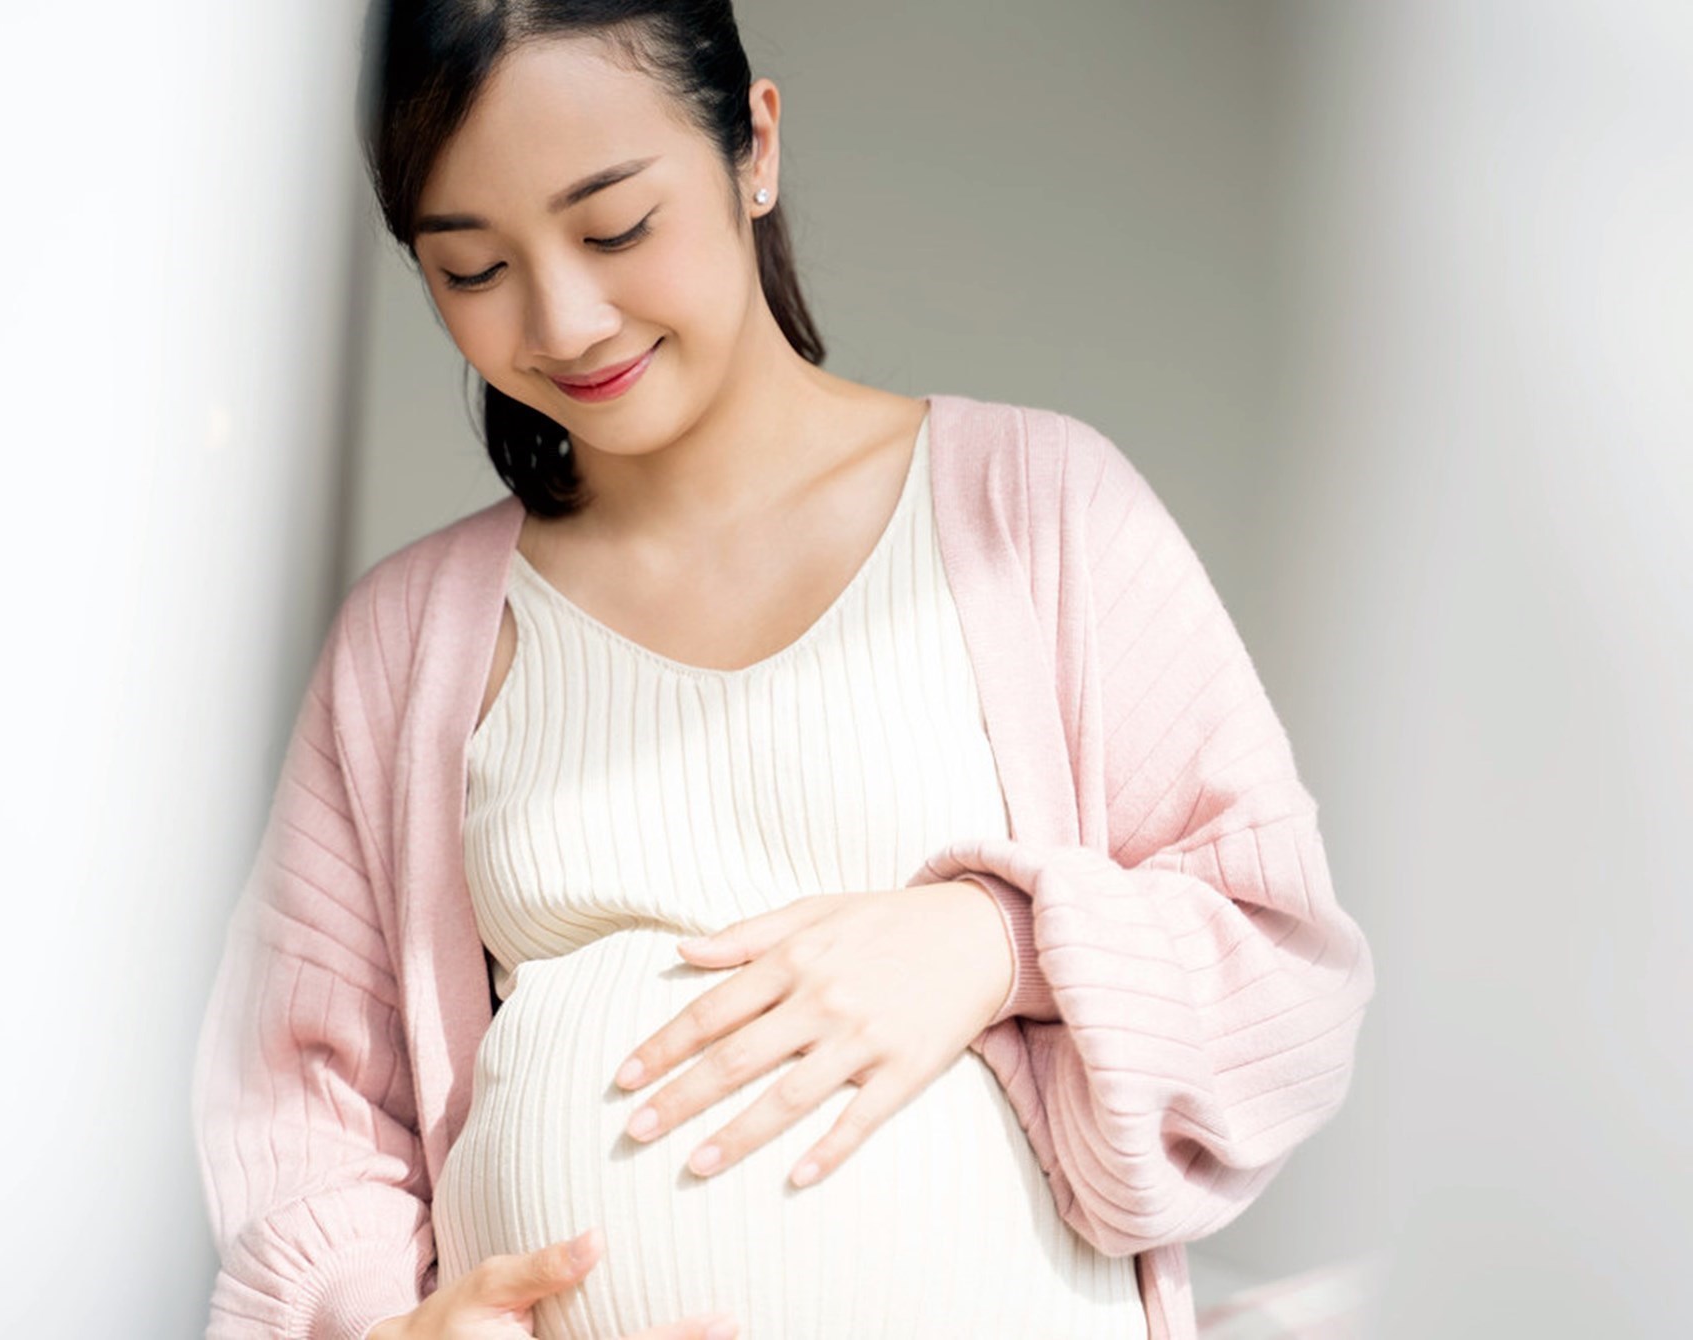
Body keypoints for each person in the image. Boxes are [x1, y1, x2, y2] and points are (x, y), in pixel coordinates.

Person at [190, 3, 1377, 1338]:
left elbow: (1284, 974)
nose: (565, 319)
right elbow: (308, 1126)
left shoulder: (1042, 514)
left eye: (615, 228)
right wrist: (394, 1331)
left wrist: (998, 942)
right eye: (472, 268)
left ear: (754, 146)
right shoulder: (407, 646)